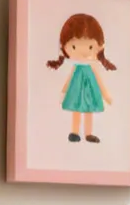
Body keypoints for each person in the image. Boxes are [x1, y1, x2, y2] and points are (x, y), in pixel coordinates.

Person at [47, 13, 117, 143]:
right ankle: (74, 132)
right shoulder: (76, 67)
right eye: (74, 46)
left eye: (90, 47)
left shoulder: (92, 67)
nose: (84, 52)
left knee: (88, 111)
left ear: (100, 46)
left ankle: (88, 133)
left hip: (90, 92)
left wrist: (106, 95)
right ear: (65, 47)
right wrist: (63, 92)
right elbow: (69, 79)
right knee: (76, 110)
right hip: (77, 92)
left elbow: (99, 81)